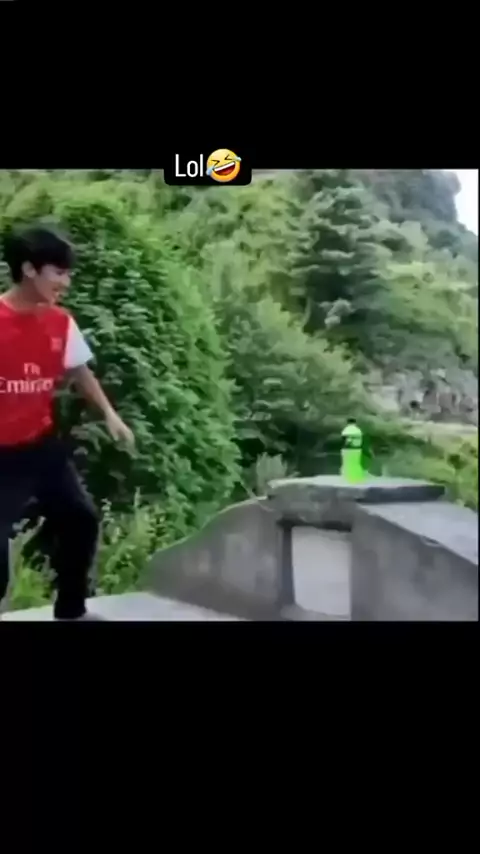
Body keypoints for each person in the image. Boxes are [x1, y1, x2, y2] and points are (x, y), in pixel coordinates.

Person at [0, 224, 134, 620]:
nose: (66, 282)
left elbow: (79, 370)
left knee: (81, 519)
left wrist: (109, 414)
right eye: (58, 272)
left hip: (39, 445)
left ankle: (72, 611)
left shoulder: (60, 321)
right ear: (29, 269)